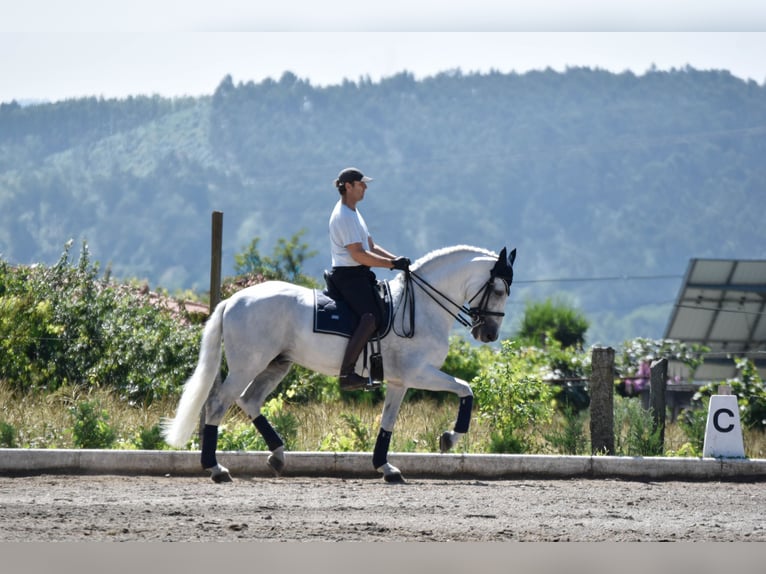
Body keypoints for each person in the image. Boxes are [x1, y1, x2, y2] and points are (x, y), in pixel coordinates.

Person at [328, 167, 410, 391]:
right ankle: (347, 374)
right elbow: (359, 255)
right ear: (348, 186)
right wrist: (392, 265)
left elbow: (371, 246)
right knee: (371, 317)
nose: (365, 187)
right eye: (361, 183)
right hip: (349, 276)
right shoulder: (343, 216)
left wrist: (398, 261)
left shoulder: (354, 212)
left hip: (359, 274)